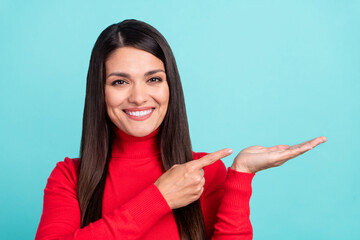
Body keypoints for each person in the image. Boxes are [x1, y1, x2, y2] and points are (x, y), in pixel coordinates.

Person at [35, 19, 327, 240]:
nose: (138, 97)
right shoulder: (69, 177)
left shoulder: (202, 173)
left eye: (153, 79)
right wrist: (158, 198)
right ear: (100, 91)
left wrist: (241, 176)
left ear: (170, 86)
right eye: (120, 82)